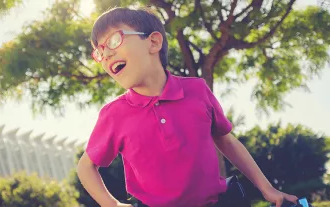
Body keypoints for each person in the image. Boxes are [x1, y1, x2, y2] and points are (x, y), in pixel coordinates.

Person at [76, 7, 298, 207]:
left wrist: (267, 189)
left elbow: (226, 140)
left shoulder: (197, 90)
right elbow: (85, 167)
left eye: (114, 41)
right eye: (99, 51)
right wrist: (112, 205)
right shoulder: (114, 114)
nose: (106, 55)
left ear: (153, 42)